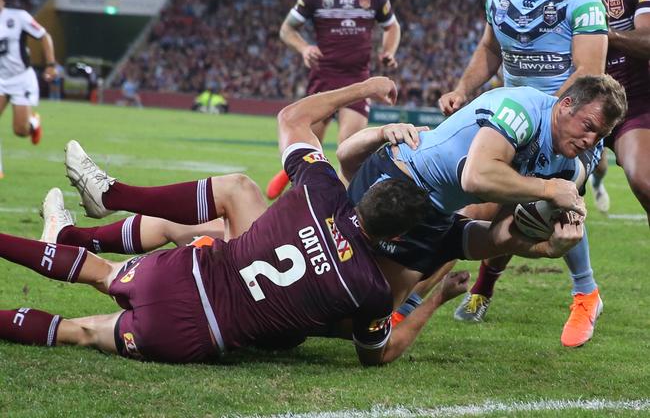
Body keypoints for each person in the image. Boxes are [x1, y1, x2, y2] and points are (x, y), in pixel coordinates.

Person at [0, 77, 471, 365]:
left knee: (109, 267)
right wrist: (437, 298)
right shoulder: (368, 289)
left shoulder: (321, 192)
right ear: (398, 235)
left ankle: (91, 213)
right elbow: (378, 354)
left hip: (182, 275)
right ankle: (84, 218)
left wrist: (367, 89)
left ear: (367, 191)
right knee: (77, 330)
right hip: (198, 332)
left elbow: (293, 118)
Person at [339, 74, 626, 345]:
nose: (590, 140)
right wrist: (548, 189)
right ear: (566, 105)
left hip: (436, 217)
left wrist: (548, 248)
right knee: (333, 266)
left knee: (368, 318)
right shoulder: (521, 110)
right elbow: (475, 177)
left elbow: (497, 238)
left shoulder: (561, 163)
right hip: (399, 177)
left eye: (599, 135)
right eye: (588, 126)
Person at [437, 0, 611, 347]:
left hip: (568, 129)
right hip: (515, 127)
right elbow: (489, 51)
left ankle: (586, 293)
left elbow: (589, 76)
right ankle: (421, 297)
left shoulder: (584, 1)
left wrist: (538, 117)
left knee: (549, 198)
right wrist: (464, 90)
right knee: (473, 201)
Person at [266, 0, 401, 200]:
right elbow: (286, 29)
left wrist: (389, 51)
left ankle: (339, 209)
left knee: (348, 150)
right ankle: (300, 201)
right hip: (323, 80)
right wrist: (304, 48)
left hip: (358, 81)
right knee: (306, 153)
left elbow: (392, 26)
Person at [569, 0, 650, 225]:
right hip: (578, 106)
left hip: (633, 104)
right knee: (543, 204)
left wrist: (602, 33)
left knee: (646, 183)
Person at [0, 0, 57, 148]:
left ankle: (33, 123)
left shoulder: (18, 17)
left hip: (20, 79)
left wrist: (51, 65)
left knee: (20, 130)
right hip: (0, 79)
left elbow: (44, 36)